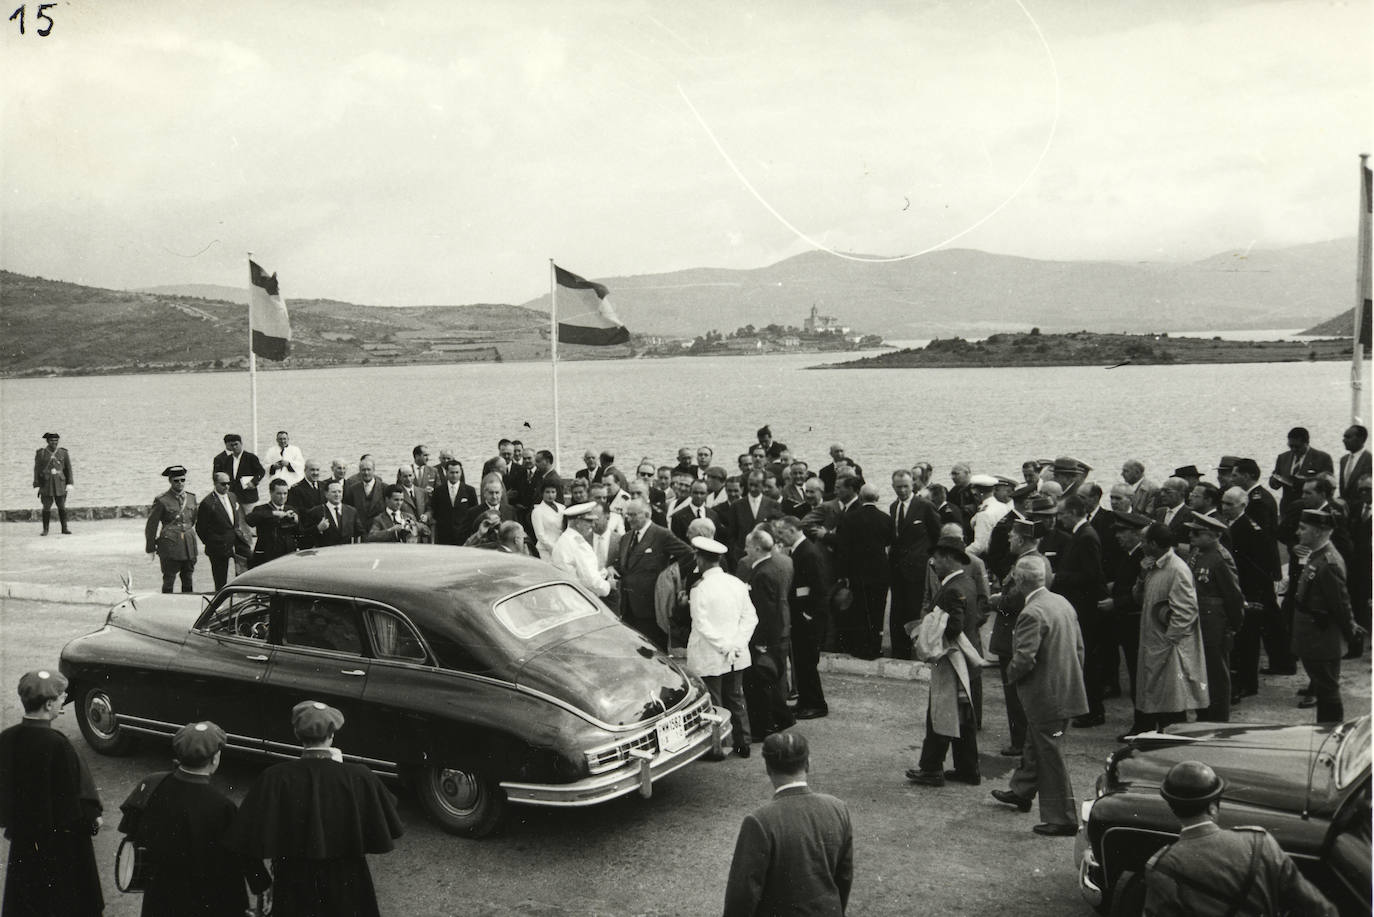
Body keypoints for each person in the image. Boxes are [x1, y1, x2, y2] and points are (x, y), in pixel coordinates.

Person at [227, 701, 403, 917]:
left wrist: (262, 884)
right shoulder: (359, 775)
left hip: (294, 883)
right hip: (349, 881)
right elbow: (387, 812)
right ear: (332, 735)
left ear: (297, 734)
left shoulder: (274, 777)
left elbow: (243, 837)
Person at [1141, 761, 1336, 916]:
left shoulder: (1163, 867)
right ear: (1212, 807)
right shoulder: (1260, 842)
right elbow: (1319, 909)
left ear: (1173, 808)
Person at [118, 721, 271, 916]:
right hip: (205, 901)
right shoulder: (222, 806)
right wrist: (262, 886)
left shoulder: (152, 783)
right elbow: (245, 855)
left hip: (160, 895)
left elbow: (130, 829)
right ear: (215, 759)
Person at [990, 555, 1087, 836]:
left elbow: (1024, 659)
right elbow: (1079, 648)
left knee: (1049, 755)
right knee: (1036, 743)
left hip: (1045, 696)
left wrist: (1010, 676)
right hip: (1066, 689)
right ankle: (1022, 790)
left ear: (1020, 581)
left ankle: (1063, 818)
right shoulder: (1061, 603)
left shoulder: (1031, 613)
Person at [0, 669, 104, 917]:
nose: (62, 702)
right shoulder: (59, 744)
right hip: (62, 847)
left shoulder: (6, 738)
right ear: (48, 704)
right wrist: (93, 820)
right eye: (61, 698)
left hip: (24, 843)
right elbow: (79, 800)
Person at [722, 732, 852, 917]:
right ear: (807, 764)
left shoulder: (760, 821)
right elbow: (844, 877)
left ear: (768, 769)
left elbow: (742, 895)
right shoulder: (838, 808)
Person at [907, 535, 980, 787]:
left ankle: (931, 769)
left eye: (937, 558)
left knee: (939, 713)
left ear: (949, 558)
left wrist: (928, 628)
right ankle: (967, 769)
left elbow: (954, 626)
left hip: (951, 661)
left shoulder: (952, 589)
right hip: (966, 661)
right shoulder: (967, 582)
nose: (933, 562)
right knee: (962, 717)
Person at [1132, 523, 1208, 734]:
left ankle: (1172, 742)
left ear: (1154, 544)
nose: (1141, 545)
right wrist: (1141, 576)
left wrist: (1169, 641)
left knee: (1172, 703)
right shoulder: (1153, 566)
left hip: (1169, 648)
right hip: (1154, 643)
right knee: (1155, 697)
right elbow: (1139, 599)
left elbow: (1186, 612)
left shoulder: (1177, 569)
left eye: (1144, 541)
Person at [1290, 508, 1362, 722]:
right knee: (1323, 688)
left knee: (1327, 690)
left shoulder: (1329, 563)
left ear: (1319, 532)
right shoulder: (1318, 555)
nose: (1297, 532)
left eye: (1303, 528)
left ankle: (1330, 732)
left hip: (1322, 638)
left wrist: (1351, 631)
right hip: (1314, 636)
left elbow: (1341, 605)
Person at [685, 536, 755, 755]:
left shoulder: (700, 588)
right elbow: (750, 618)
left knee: (714, 700)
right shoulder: (736, 583)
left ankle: (720, 745)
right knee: (736, 696)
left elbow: (701, 624)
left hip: (711, 652)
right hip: (735, 653)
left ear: (700, 559)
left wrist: (725, 647)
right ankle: (743, 742)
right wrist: (736, 645)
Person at [988, 517, 1052, 757]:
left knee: (1016, 692)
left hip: (1015, 633)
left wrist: (996, 602)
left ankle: (1020, 743)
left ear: (1023, 540)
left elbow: (1015, 602)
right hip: (1021, 630)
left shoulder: (1027, 563)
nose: (1009, 538)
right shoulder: (1039, 560)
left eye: (1013, 536)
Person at [1051, 494, 1108, 727]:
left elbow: (1091, 575)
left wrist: (1058, 578)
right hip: (1080, 606)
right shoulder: (1082, 534)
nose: (1060, 518)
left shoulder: (1086, 537)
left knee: (1089, 661)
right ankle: (1088, 708)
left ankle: (1093, 711)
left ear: (1073, 512)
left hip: (1086, 608)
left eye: (1062, 514)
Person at [736, 528, 795, 740]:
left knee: (758, 685)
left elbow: (764, 611)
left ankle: (764, 727)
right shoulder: (778, 565)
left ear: (757, 548)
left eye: (748, 546)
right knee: (770, 681)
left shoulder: (761, 573)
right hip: (778, 633)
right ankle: (780, 718)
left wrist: (760, 642)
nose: (745, 550)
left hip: (764, 638)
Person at [1183, 515, 1244, 721]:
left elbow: (1233, 596)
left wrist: (1233, 625)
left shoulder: (1220, 559)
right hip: (1198, 621)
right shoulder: (1197, 552)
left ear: (1213, 536)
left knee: (1216, 676)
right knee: (1199, 673)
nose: (1190, 536)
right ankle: (1203, 716)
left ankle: (1218, 721)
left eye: (1196, 533)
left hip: (1214, 625)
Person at [775, 515, 832, 719]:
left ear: (792, 530)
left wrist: (808, 614)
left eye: (781, 533)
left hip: (809, 619)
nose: (779, 537)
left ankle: (817, 704)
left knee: (807, 663)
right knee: (801, 662)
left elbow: (819, 588)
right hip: (802, 617)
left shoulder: (808, 552)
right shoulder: (800, 550)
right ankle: (805, 702)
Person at [616, 499, 691, 648]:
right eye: (627, 515)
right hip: (628, 606)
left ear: (647, 514)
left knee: (653, 649)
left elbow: (688, 554)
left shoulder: (661, 534)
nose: (629, 519)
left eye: (633, 515)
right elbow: (625, 565)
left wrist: (670, 578)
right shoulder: (626, 538)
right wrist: (613, 567)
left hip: (651, 607)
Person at [889, 469, 941, 660]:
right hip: (898, 570)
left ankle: (919, 652)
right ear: (893, 487)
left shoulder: (925, 506)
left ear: (913, 485)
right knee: (897, 612)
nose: (902, 490)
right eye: (898, 487)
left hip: (918, 569)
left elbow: (937, 535)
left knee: (916, 611)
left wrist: (932, 561)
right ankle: (899, 652)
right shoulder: (894, 507)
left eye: (906, 486)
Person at [146, 464, 199, 592]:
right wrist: (151, 548)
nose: (180, 483)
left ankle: (187, 602)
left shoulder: (191, 498)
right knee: (169, 579)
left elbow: (192, 520)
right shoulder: (162, 500)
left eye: (182, 480)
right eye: (176, 481)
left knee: (188, 578)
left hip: (188, 545)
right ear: (170, 481)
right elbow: (152, 526)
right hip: (170, 546)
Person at [551, 503, 617, 598]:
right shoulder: (579, 544)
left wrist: (604, 572)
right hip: (576, 598)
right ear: (578, 522)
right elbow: (590, 581)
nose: (592, 525)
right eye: (589, 521)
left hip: (566, 595)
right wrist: (608, 585)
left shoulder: (565, 538)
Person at [196, 471, 246, 591]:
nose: (227, 486)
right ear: (215, 483)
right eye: (223, 484)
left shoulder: (232, 496)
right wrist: (212, 542)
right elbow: (200, 528)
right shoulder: (207, 503)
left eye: (229, 483)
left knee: (244, 572)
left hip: (236, 541)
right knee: (220, 579)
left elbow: (235, 519)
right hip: (218, 545)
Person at [1269, 425, 1333, 510]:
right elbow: (1275, 482)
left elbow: (1329, 486)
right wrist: (1274, 481)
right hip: (1287, 506)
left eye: (1297, 447)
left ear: (1306, 443)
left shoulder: (1322, 458)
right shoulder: (1283, 457)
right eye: (1291, 446)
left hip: (1310, 507)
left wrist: (1305, 481)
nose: (1293, 449)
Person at [247, 478, 302, 565]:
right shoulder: (260, 509)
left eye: (285, 493)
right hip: (267, 555)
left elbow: (300, 533)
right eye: (279, 493)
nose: (282, 497)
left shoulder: (291, 509)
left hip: (288, 554)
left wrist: (297, 522)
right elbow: (249, 520)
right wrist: (274, 513)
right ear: (271, 492)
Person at [213, 434, 266, 516]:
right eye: (232, 445)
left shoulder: (250, 457)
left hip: (249, 496)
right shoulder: (228, 460)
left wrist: (254, 482)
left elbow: (261, 471)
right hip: (234, 496)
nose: (234, 447)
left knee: (251, 519)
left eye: (236, 444)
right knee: (236, 519)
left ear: (241, 444)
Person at [33, 431, 73, 535]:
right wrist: (37, 484)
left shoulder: (63, 453)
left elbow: (68, 469)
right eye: (51, 440)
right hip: (46, 483)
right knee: (46, 507)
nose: (54, 442)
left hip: (60, 483)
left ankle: (64, 528)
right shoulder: (41, 453)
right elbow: (37, 469)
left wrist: (69, 483)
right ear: (47, 441)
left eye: (56, 440)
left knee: (62, 506)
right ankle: (45, 530)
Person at [429, 459, 478, 545]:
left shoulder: (469, 490)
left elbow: (474, 511)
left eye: (457, 472)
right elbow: (434, 510)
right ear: (446, 473)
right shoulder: (438, 491)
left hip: (463, 534)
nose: (454, 475)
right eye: (452, 472)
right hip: (443, 535)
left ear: (461, 472)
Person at [306, 480, 361, 547]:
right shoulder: (316, 512)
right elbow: (305, 536)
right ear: (326, 494)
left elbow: (359, 533)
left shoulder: (351, 511)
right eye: (334, 492)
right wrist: (318, 529)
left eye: (339, 492)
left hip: (346, 551)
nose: (337, 495)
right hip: (326, 551)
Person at [530, 477, 565, 558]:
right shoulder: (537, 511)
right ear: (542, 493)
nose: (550, 495)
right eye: (547, 492)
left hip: (561, 547)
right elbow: (540, 535)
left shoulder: (562, 508)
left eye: (553, 492)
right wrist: (553, 548)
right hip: (545, 550)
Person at [1338, 424, 1371, 504]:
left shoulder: (1369, 460)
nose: (1344, 440)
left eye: (1348, 437)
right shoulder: (1343, 460)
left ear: (1361, 439)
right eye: (1344, 437)